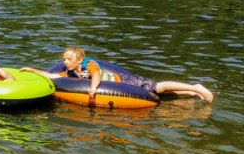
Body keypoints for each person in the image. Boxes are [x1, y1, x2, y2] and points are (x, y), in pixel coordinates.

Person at [24, 47, 214, 102]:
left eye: (68, 59)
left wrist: (92, 87)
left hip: (123, 81)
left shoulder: (88, 64)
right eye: (64, 59)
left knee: (157, 87)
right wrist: (33, 70)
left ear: (78, 58)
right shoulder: (69, 71)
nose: (64, 61)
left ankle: (194, 87)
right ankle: (191, 94)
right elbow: (55, 77)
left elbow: (96, 75)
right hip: (117, 85)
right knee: (159, 97)